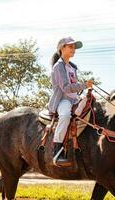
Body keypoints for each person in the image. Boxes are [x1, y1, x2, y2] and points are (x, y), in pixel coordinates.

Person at [48, 36, 93, 165]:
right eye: (71, 46)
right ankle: (57, 151)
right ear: (62, 48)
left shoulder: (72, 67)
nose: (74, 49)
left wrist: (85, 90)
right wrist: (84, 85)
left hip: (74, 99)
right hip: (63, 100)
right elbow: (67, 88)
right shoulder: (58, 67)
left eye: (74, 47)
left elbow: (74, 86)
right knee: (65, 116)